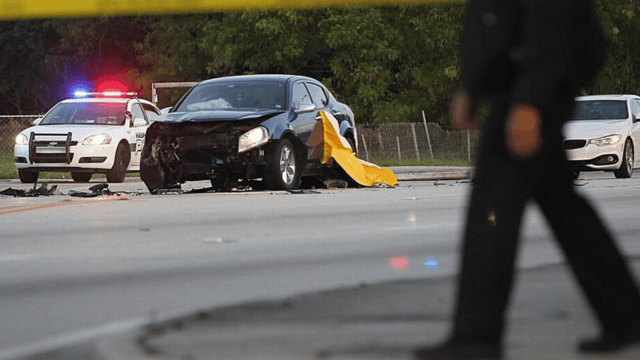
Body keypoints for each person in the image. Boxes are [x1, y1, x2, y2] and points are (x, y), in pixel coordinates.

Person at [414, 0, 640, 359]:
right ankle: (625, 314)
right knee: (563, 208)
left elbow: (550, 20)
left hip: (533, 88)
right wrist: (473, 86)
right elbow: (497, 21)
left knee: (491, 210)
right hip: (525, 86)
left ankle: (477, 336)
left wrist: (531, 100)